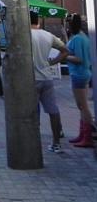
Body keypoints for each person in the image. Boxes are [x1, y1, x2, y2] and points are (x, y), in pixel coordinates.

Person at [29, 11, 69, 153]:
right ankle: (56, 143)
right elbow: (65, 51)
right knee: (53, 110)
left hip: (31, 79)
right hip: (47, 78)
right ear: (38, 21)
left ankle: (33, 142)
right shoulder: (48, 35)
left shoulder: (25, 36)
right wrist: (53, 62)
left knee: (32, 112)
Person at [65, 14, 94, 148]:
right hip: (83, 73)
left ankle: (87, 136)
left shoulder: (77, 39)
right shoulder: (82, 37)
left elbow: (78, 58)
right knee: (82, 106)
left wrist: (65, 57)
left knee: (83, 106)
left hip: (79, 74)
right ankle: (83, 134)